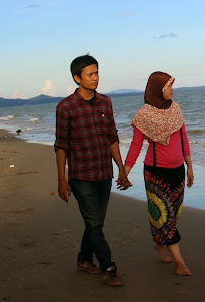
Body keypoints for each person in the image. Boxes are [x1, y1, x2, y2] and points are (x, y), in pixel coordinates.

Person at [54, 54, 132, 286]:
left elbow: (112, 138)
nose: (96, 78)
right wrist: (61, 179)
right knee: (95, 223)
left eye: (97, 72)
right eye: (90, 74)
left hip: (104, 173)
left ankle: (84, 259)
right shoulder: (65, 107)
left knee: (95, 222)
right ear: (77, 78)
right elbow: (61, 146)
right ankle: (109, 267)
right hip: (81, 176)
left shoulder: (106, 102)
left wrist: (122, 169)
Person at [124, 71, 194, 276]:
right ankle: (179, 261)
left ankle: (159, 242)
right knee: (165, 216)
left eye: (172, 85)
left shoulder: (176, 110)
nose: (172, 89)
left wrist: (189, 166)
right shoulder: (143, 115)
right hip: (155, 172)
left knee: (174, 213)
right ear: (157, 89)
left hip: (178, 170)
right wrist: (125, 172)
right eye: (168, 86)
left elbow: (184, 139)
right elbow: (136, 145)